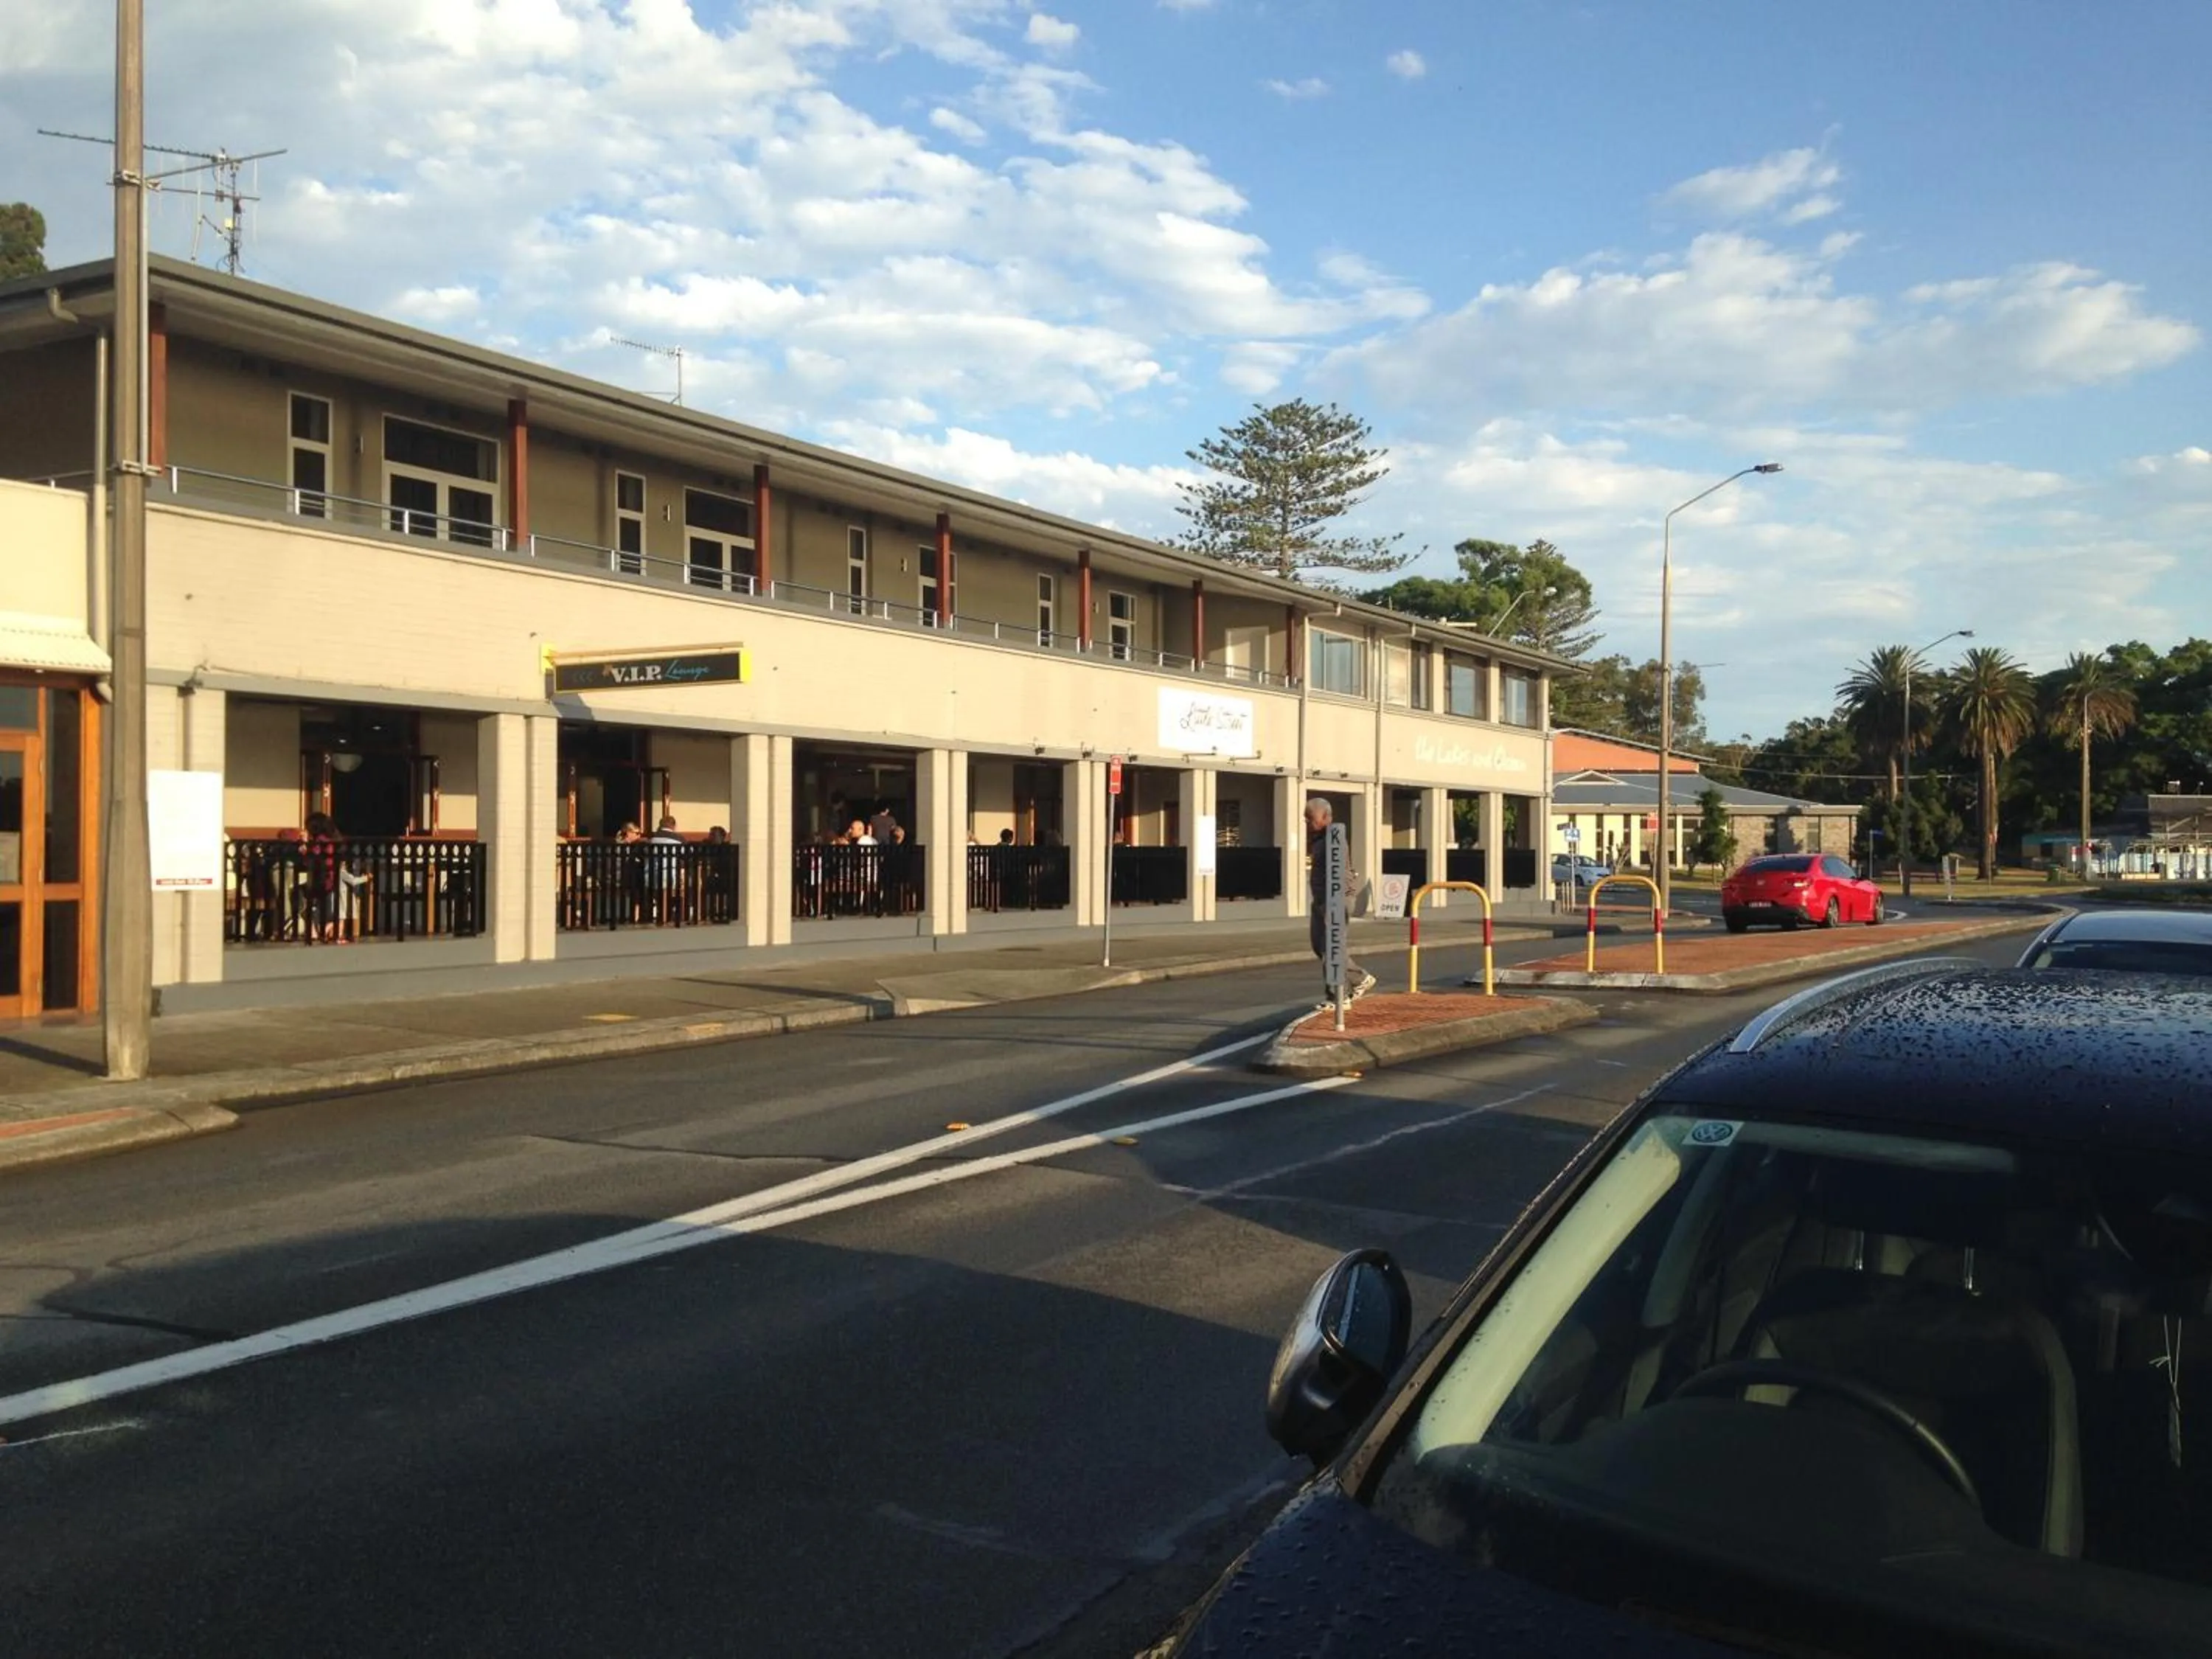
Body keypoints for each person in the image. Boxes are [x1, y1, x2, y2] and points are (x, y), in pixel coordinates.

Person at [1303, 797, 1375, 1004]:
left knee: (1331, 946)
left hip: (1335, 900)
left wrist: (1335, 904)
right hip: (1322, 900)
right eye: (1306, 819)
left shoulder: (1334, 838)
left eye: (1311, 818)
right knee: (1320, 945)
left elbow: (1340, 873)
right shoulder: (1319, 839)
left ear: (1326, 817)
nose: (1308, 823)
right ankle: (1359, 978)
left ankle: (1338, 997)